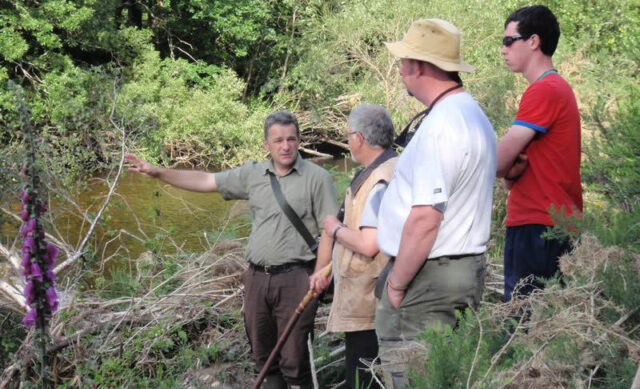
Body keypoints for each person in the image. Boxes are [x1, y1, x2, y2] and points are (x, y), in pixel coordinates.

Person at [125, 111, 338, 389]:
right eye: (278, 141)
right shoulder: (253, 174)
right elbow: (205, 181)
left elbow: (330, 230)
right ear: (266, 145)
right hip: (256, 279)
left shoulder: (317, 178)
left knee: (295, 358)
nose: (285, 146)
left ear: (298, 141)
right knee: (263, 356)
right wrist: (158, 173)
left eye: (291, 139)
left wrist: (321, 274)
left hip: (297, 279)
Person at [375, 19, 497, 388]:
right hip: (461, 271)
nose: (399, 71)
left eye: (402, 62)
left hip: (428, 278)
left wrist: (396, 283)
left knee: (410, 375)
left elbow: (426, 217)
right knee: (447, 374)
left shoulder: (442, 125)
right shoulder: (473, 116)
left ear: (419, 66)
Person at [497, 5, 582, 302]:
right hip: (552, 224)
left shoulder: (544, 90)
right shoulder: (555, 89)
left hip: (538, 226)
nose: (503, 50)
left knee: (522, 326)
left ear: (533, 41)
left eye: (509, 41)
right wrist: (510, 171)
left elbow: (496, 163)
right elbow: (511, 172)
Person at [309, 104, 398, 389]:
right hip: (373, 296)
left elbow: (369, 244)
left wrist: (335, 228)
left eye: (349, 136)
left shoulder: (380, 180)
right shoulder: (389, 167)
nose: (348, 142)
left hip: (369, 300)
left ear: (358, 138)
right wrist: (327, 269)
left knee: (362, 380)